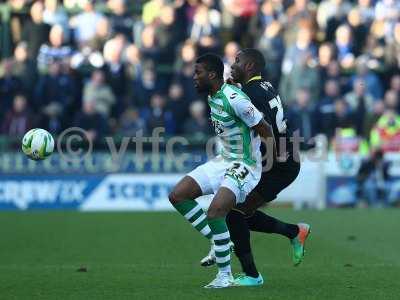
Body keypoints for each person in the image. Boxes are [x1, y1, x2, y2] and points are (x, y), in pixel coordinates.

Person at [200, 49, 311, 286]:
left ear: (250, 66)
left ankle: (252, 275)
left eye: (237, 61)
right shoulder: (264, 86)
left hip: (278, 163)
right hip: (283, 159)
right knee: (238, 212)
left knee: (234, 212)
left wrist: (265, 160)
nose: (232, 64)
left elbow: (266, 128)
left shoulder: (249, 94)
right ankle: (294, 232)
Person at [168, 53, 274, 288]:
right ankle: (219, 243)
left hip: (245, 163)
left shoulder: (234, 98)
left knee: (216, 211)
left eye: (198, 73)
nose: (194, 77)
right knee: (178, 195)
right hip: (223, 160)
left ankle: (224, 276)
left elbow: (265, 129)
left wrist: (268, 167)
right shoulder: (213, 95)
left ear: (212, 74)